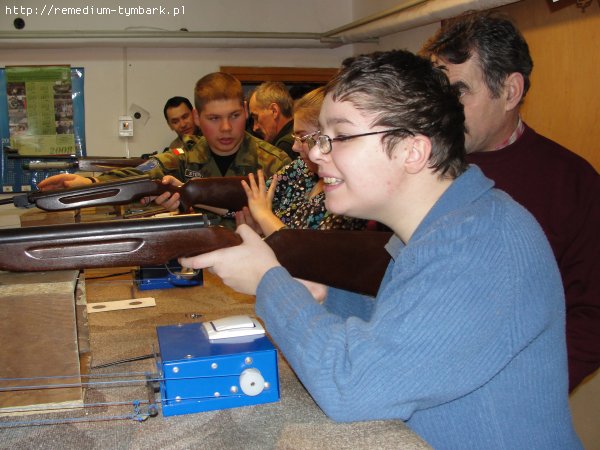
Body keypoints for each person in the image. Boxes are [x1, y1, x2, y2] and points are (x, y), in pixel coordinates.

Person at [179, 50, 581, 449]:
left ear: (412, 151)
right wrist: (324, 297)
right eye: (320, 137)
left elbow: (352, 386)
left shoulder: (479, 243)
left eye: (341, 136)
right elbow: (407, 325)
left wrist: (270, 281)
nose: (316, 152)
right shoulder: (443, 228)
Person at [421, 11, 600, 392]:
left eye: (458, 92)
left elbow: (592, 314)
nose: (439, 110)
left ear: (510, 92)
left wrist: (528, 387)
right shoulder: (417, 165)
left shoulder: (573, 182)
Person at [37, 73, 292, 204]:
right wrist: (90, 181)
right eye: (214, 118)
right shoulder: (185, 156)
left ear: (245, 111)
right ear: (197, 117)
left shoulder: (274, 163)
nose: (226, 128)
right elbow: (142, 172)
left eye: (234, 116)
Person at [237, 87, 366, 237]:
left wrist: (264, 216)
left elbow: (309, 248)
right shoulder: (303, 168)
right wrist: (263, 228)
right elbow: (253, 199)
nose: (294, 147)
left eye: (303, 138)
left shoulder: (348, 191)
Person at [248, 81, 296, 159]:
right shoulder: (295, 136)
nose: (255, 128)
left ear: (274, 111)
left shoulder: (286, 146)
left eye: (256, 118)